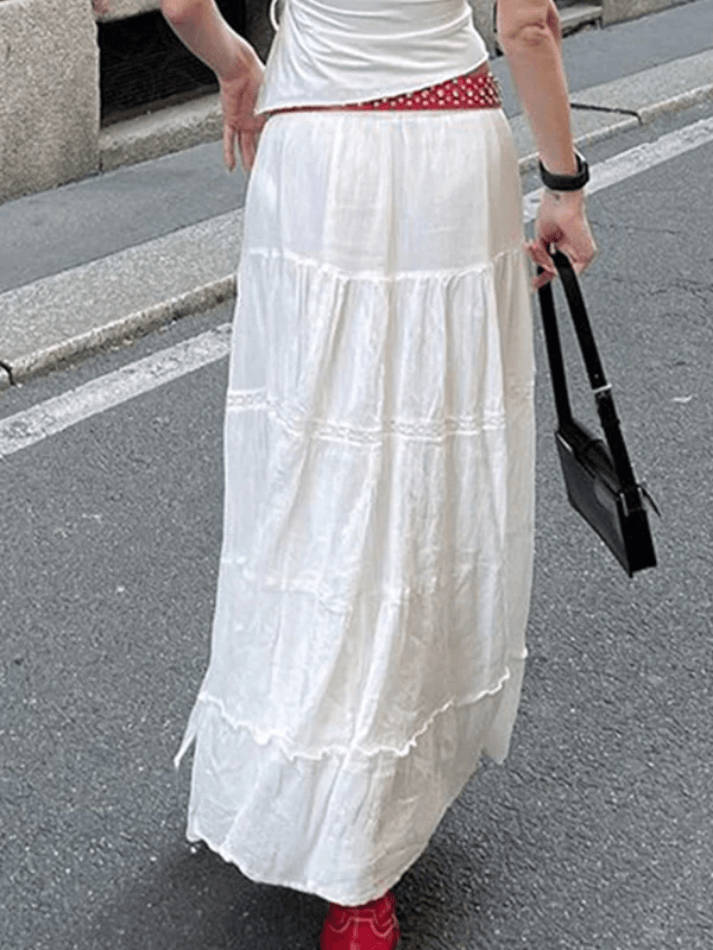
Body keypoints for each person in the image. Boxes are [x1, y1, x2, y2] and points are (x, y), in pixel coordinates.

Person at [160, 1, 596, 947]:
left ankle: (282, 776)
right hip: (443, 150)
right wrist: (563, 183)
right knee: (417, 472)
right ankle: (366, 844)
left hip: (313, 153)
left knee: (308, 472)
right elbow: (527, 24)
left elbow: (184, 3)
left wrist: (236, 66)